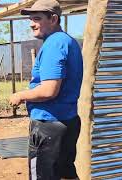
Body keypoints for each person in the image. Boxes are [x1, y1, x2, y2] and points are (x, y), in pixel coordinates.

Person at [9, 0, 83, 179]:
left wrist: (20, 95)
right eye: (30, 19)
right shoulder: (68, 41)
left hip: (49, 127)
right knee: (65, 172)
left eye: (37, 18)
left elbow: (49, 90)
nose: (31, 23)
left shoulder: (53, 44)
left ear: (53, 19)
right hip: (68, 121)